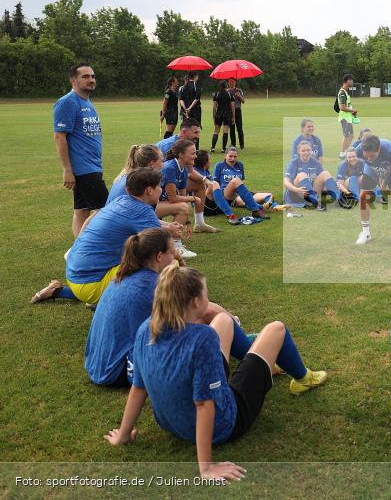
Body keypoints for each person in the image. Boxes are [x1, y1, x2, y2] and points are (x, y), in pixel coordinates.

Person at [104, 264, 327, 481]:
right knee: (276, 329)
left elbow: (139, 387)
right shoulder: (203, 339)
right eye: (205, 292)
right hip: (225, 424)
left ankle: (264, 363)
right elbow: (204, 405)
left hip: (171, 423)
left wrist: (124, 434)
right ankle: (302, 379)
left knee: (223, 320)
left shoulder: (147, 329)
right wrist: (206, 467)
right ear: (195, 301)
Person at [31, 168, 183, 306]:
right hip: (91, 284)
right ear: (149, 190)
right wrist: (182, 265)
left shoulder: (121, 201)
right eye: (159, 186)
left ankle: (58, 291)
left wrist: (167, 227)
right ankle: (171, 303)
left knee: (135, 258)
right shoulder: (142, 211)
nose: (161, 189)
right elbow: (167, 249)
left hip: (75, 275)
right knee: (168, 263)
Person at [84, 229, 182, 386]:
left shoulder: (123, 277)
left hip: (97, 365)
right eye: (172, 252)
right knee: (216, 323)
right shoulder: (155, 284)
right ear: (159, 256)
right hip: (118, 370)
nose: (176, 256)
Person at [53, 63, 107, 237]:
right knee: (106, 211)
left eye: (92, 76)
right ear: (73, 80)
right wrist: (67, 170)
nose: (91, 80)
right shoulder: (67, 102)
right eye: (85, 77)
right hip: (84, 168)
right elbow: (59, 137)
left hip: (93, 166)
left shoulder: (87, 102)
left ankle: (77, 250)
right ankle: (88, 250)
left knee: (81, 211)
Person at [157, 139, 216, 245]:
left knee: (183, 206)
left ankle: (198, 224)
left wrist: (187, 222)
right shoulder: (170, 168)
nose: (196, 156)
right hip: (147, 207)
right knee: (182, 207)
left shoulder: (183, 169)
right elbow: (173, 198)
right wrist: (193, 198)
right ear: (181, 155)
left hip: (158, 204)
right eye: (193, 153)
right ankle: (175, 245)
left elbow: (182, 198)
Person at [193, 150, 270, 224]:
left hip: (217, 203)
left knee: (236, 180)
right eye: (209, 159)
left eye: (235, 156)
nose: (210, 161)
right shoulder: (195, 172)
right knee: (214, 183)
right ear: (204, 162)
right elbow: (199, 193)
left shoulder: (205, 170)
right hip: (204, 207)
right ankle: (231, 216)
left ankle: (255, 210)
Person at [357, 134, 391, 247]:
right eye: (366, 156)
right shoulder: (359, 150)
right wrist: (375, 176)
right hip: (371, 170)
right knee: (363, 198)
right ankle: (366, 233)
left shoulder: (390, 151)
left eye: (372, 156)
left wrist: (385, 180)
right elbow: (365, 163)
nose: (369, 158)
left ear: (378, 150)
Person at [283, 141, 341, 211]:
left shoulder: (315, 162)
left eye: (308, 150)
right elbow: (286, 182)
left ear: (311, 151)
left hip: (312, 191)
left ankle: (338, 199)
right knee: (302, 175)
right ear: (299, 152)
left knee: (325, 173)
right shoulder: (293, 163)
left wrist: (333, 184)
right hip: (297, 193)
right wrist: (297, 190)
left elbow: (323, 179)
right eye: (303, 151)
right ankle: (314, 203)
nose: (306, 152)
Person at [337, 74, 358, 159]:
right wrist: (352, 110)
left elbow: (347, 105)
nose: (352, 82)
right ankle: (342, 153)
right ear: (347, 81)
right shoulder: (342, 92)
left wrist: (352, 112)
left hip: (348, 117)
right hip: (344, 117)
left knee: (351, 135)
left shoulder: (345, 92)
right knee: (346, 136)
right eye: (351, 80)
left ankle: (345, 151)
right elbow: (342, 107)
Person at [210, 81, 234, 153]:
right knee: (225, 130)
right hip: (227, 114)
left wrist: (214, 116)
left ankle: (213, 148)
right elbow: (232, 106)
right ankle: (223, 148)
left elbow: (214, 107)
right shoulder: (230, 94)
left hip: (219, 113)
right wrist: (233, 116)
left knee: (216, 131)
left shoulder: (216, 94)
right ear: (226, 86)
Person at [227, 78, 245, 149]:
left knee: (239, 128)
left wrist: (239, 96)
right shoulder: (227, 91)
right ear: (228, 83)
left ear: (235, 82)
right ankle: (233, 144)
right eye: (230, 82)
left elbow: (243, 101)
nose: (231, 83)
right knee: (232, 129)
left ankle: (241, 144)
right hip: (230, 111)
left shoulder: (239, 90)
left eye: (233, 82)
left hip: (237, 110)